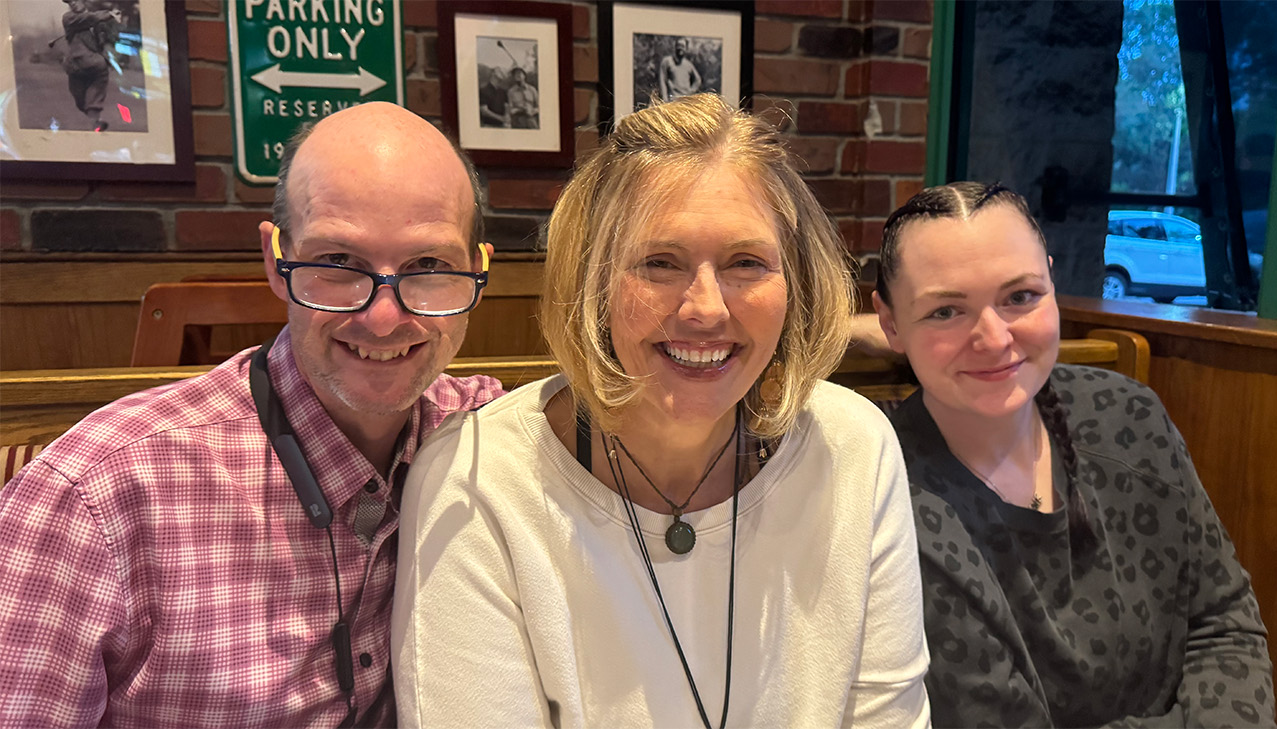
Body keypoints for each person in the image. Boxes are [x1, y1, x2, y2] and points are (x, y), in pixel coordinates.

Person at [393, 94, 930, 727]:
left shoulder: (855, 448)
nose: (706, 308)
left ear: (797, 283)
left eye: (746, 263)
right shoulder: (475, 482)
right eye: (659, 263)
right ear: (592, 280)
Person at [0, 102, 502, 727]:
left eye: (429, 267)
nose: (383, 318)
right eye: (337, 264)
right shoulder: (95, 497)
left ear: (476, 271)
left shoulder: (490, 435)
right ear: (275, 260)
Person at [871, 181, 1275, 727]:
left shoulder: (1127, 416)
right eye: (946, 311)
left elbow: (1222, 619)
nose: (994, 338)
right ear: (890, 323)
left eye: (1020, 297)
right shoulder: (888, 491)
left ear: (1052, 283)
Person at [60, 0, 119, 131]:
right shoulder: (69, 18)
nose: (73, 4)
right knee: (81, 101)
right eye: (70, 2)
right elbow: (89, 18)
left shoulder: (99, 23)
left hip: (94, 63)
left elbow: (110, 39)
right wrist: (109, 14)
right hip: (75, 66)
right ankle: (93, 119)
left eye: (76, 0)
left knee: (95, 96)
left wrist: (108, 30)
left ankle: (95, 123)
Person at [659, 37, 701, 102]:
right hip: (672, 100)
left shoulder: (688, 65)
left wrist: (691, 91)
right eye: (678, 45)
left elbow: (698, 80)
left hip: (685, 101)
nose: (680, 48)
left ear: (686, 49)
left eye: (683, 46)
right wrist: (664, 98)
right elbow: (662, 80)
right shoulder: (667, 61)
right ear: (675, 47)